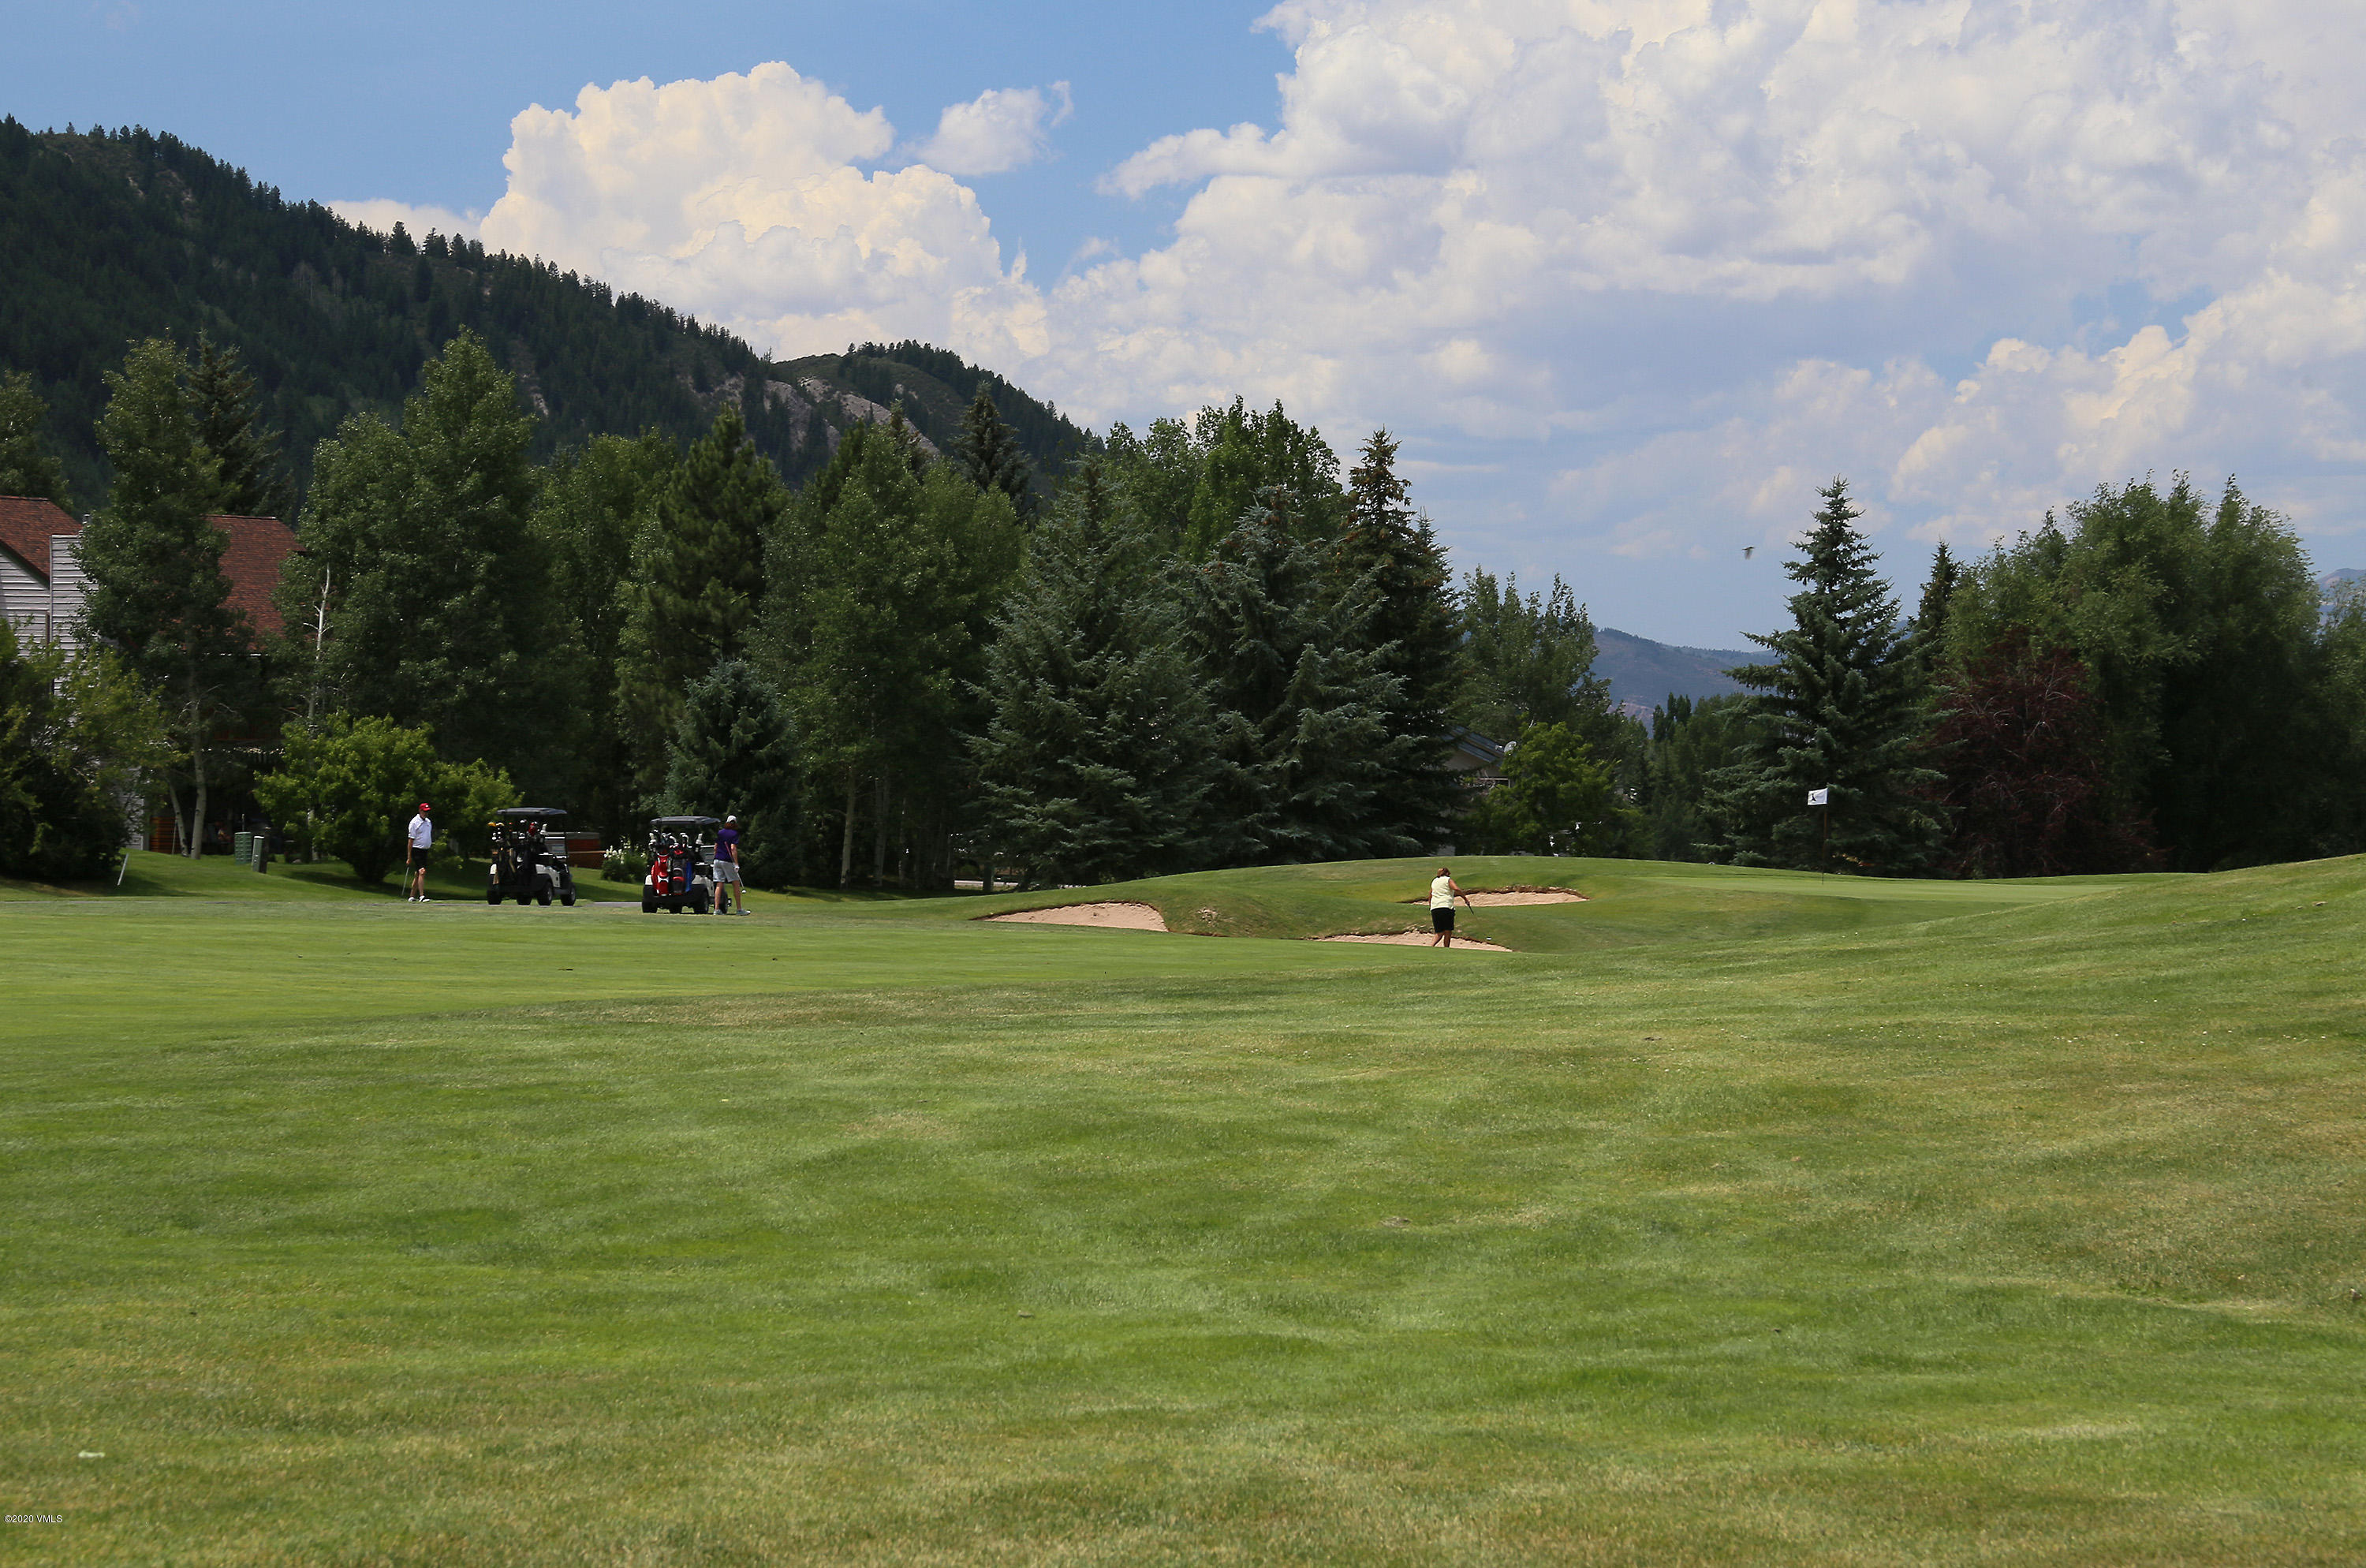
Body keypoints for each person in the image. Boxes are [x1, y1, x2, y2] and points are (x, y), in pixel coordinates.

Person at [1428, 865, 1472, 947]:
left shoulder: (1434, 881)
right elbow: (1457, 889)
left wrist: (1430, 905)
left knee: (1439, 932)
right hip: (1446, 907)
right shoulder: (1448, 880)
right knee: (1448, 931)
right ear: (1447, 873)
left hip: (1435, 908)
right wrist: (1465, 899)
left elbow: (1431, 894)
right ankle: (1446, 949)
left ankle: (1431, 946)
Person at [713, 814, 746, 915]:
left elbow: (715, 847)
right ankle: (739, 909)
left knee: (719, 884)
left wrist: (716, 857)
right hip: (727, 861)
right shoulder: (734, 834)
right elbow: (733, 848)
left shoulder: (720, 833)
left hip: (717, 860)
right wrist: (736, 863)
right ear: (735, 824)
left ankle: (717, 909)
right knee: (736, 884)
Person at [405, 802, 434, 902]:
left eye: (427, 812)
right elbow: (410, 840)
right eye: (424, 811)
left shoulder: (428, 822)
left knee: (418, 874)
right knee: (422, 872)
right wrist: (409, 857)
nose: (426, 813)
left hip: (425, 850)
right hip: (416, 850)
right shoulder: (414, 822)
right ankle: (422, 896)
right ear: (420, 811)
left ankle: (412, 896)